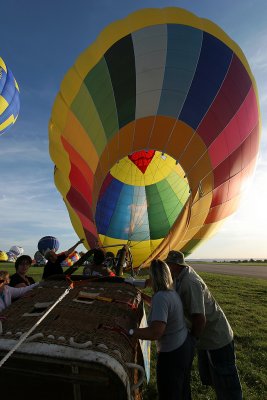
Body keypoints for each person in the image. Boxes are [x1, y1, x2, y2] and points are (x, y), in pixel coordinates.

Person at [165, 250, 243, 400]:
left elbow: (200, 319)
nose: (167, 268)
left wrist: (191, 341)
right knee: (213, 378)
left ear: (175, 265)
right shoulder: (179, 277)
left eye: (168, 265)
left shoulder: (189, 282)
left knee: (227, 383)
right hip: (206, 339)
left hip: (217, 338)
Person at [128, 259, 195, 400]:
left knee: (169, 393)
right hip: (183, 347)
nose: (148, 279)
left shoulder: (161, 297)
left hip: (172, 354)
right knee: (182, 390)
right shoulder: (170, 292)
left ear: (155, 277)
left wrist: (130, 332)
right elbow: (158, 305)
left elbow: (155, 332)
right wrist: (141, 295)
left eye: (150, 276)